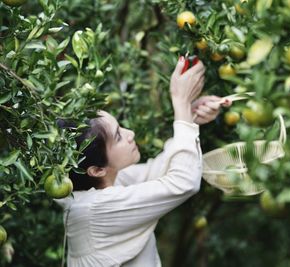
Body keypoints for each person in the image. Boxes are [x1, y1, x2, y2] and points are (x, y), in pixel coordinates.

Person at [55, 56, 231, 267]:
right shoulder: (96, 210)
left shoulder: (100, 186)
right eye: (118, 136)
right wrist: (180, 103)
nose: (130, 134)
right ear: (96, 170)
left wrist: (188, 117)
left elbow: (159, 171)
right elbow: (183, 182)